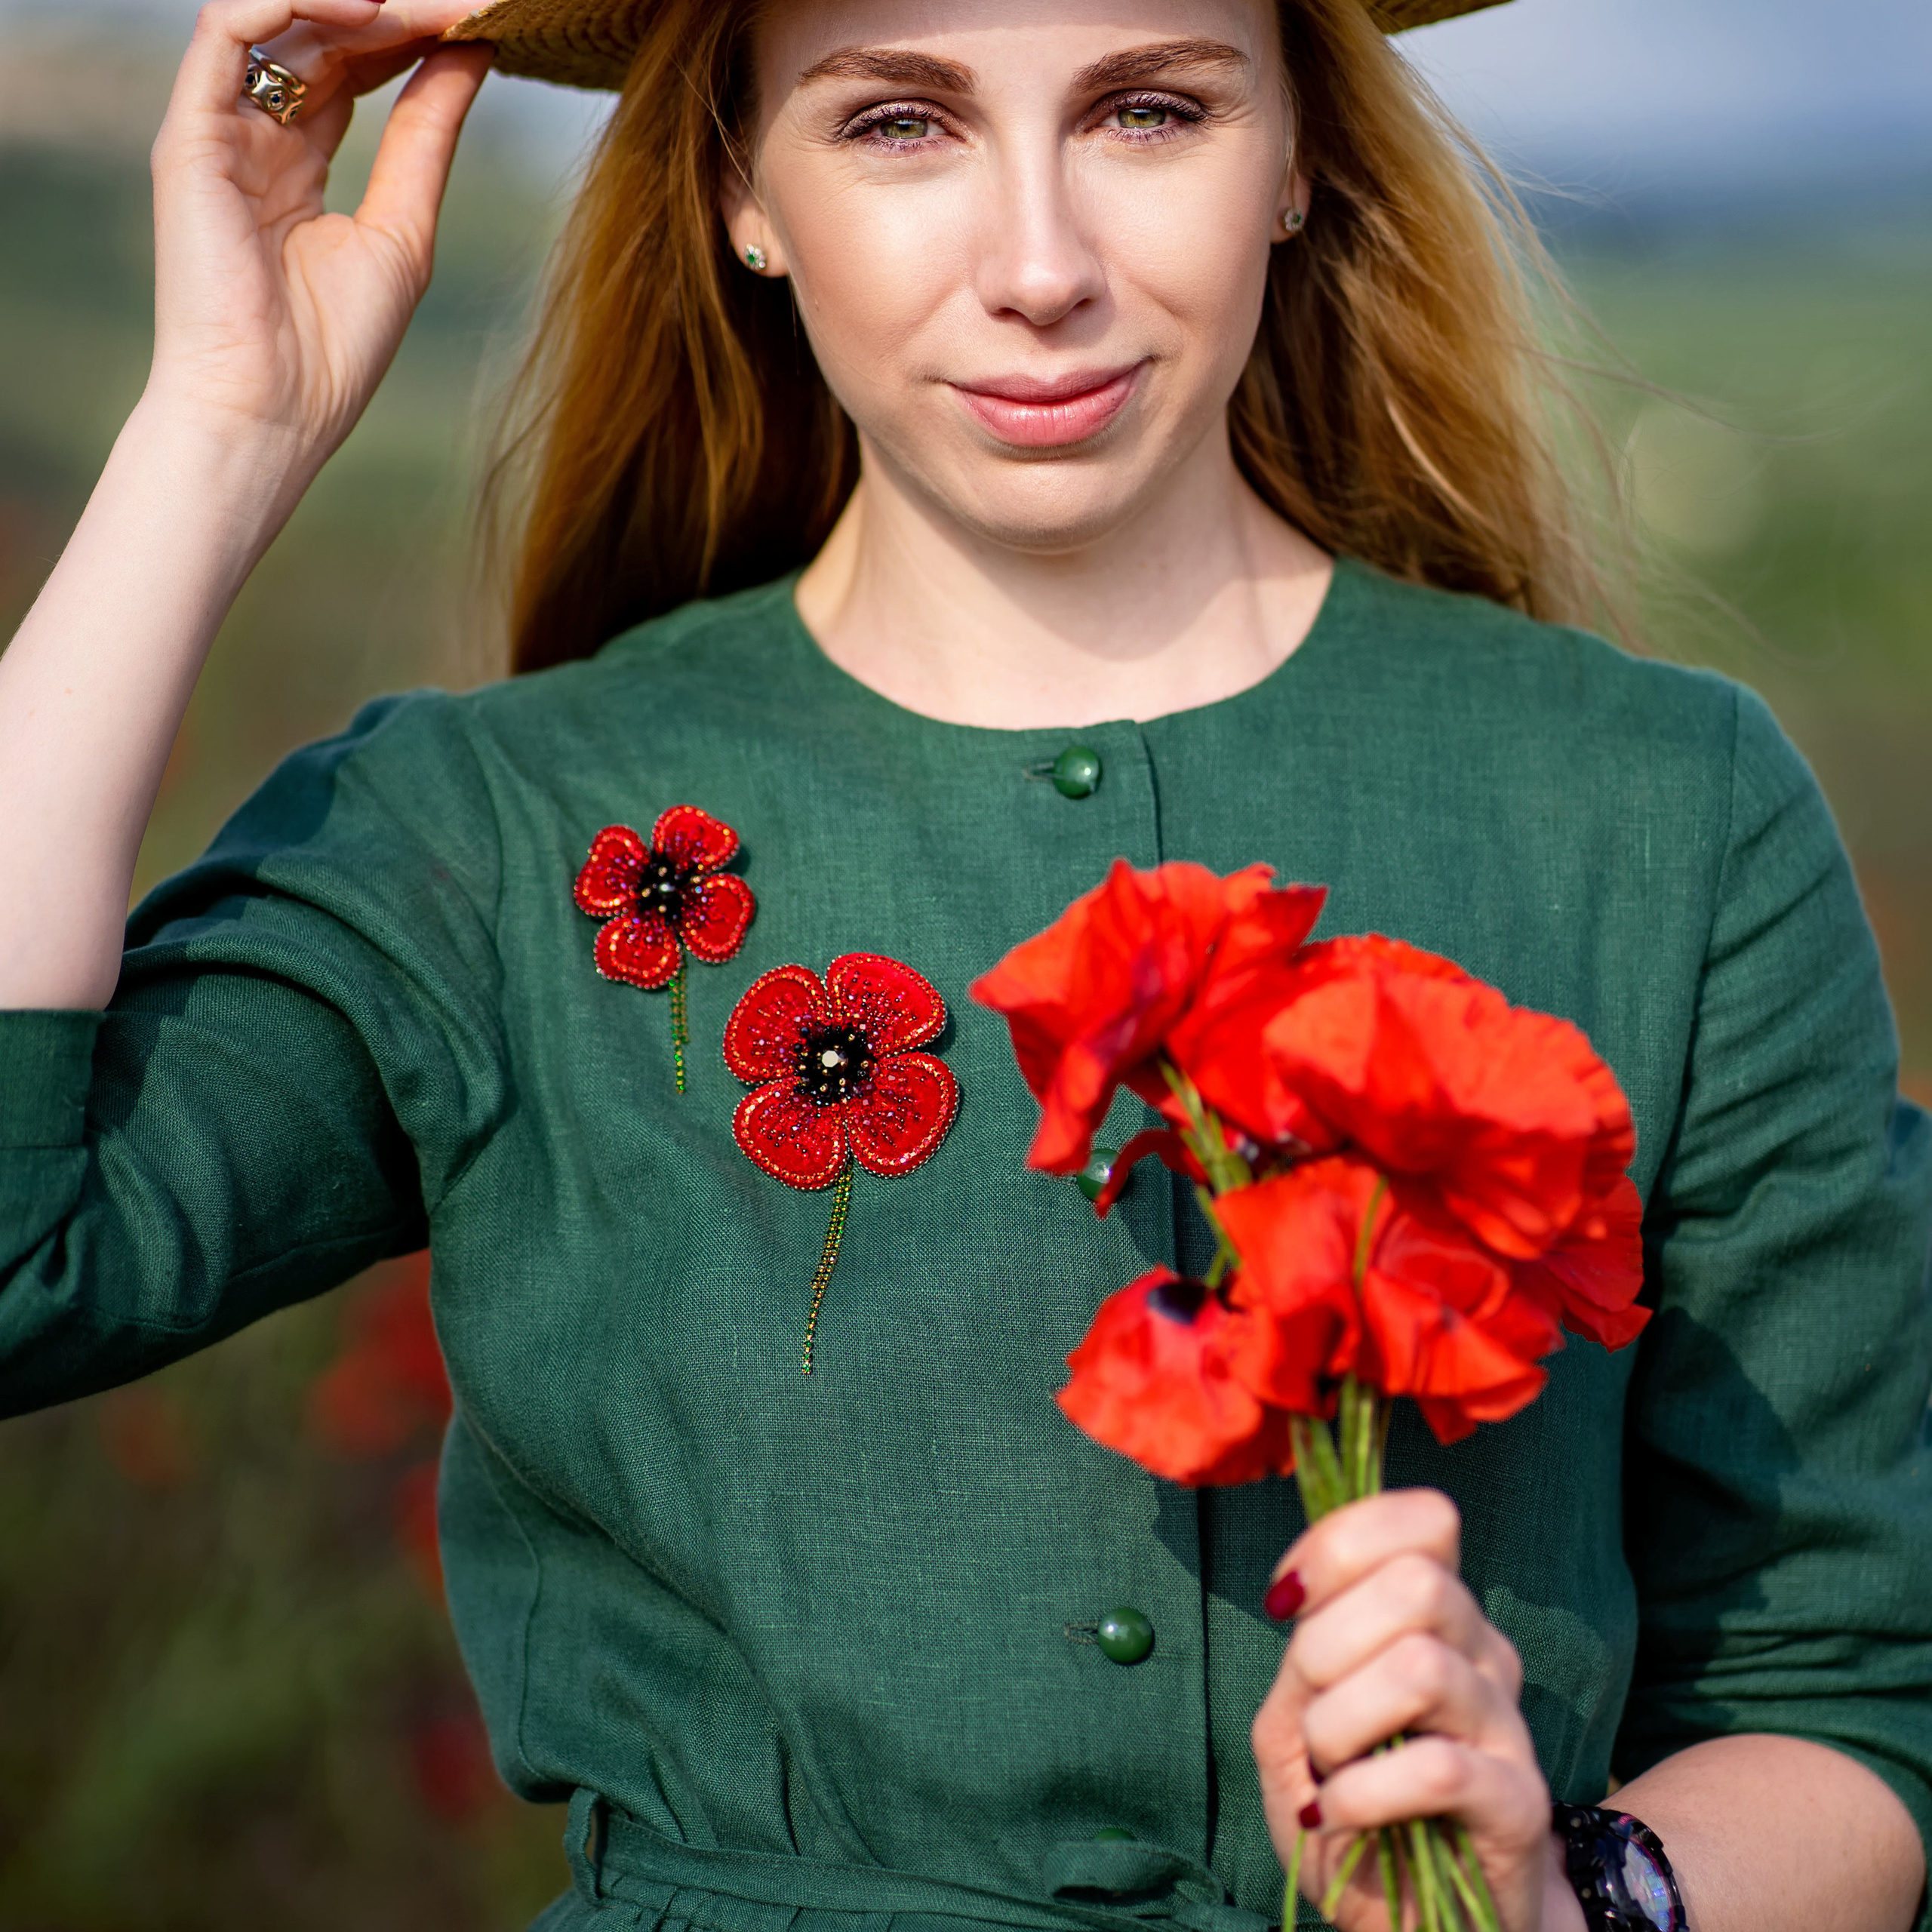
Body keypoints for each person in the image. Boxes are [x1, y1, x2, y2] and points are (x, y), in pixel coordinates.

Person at [0, 0, 1927, 1927]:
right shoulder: (493, 829)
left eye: (1148, 110)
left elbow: (1855, 1697)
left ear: (1298, 159)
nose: (1038, 269)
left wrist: (1563, 1900)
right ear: (743, 190)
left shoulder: (1666, 812)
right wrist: (212, 431)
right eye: (901, 125)